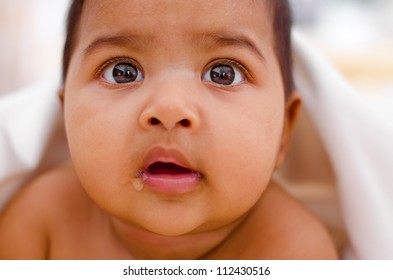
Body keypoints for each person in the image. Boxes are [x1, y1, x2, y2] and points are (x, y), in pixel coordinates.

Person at [0, 0, 337, 259]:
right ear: (66, 117)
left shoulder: (293, 249)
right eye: (122, 72)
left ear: (283, 132)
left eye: (223, 73)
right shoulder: (43, 219)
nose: (170, 109)